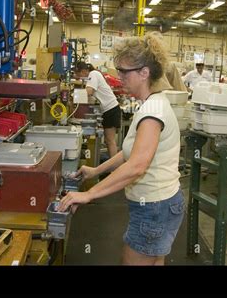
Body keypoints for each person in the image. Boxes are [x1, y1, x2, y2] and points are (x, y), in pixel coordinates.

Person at [59, 32, 185, 265]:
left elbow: (136, 166)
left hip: (154, 208)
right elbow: (130, 153)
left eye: (124, 71)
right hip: (162, 202)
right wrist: (96, 171)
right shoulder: (152, 104)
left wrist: (88, 194)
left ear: (144, 73)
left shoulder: (152, 113)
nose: (119, 77)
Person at [74, 62, 121, 157]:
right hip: (108, 110)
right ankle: (112, 166)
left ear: (83, 71)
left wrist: (74, 96)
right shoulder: (93, 75)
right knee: (108, 141)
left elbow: (89, 91)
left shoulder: (93, 74)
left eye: (78, 74)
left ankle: (114, 168)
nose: (78, 77)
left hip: (111, 109)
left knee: (110, 140)